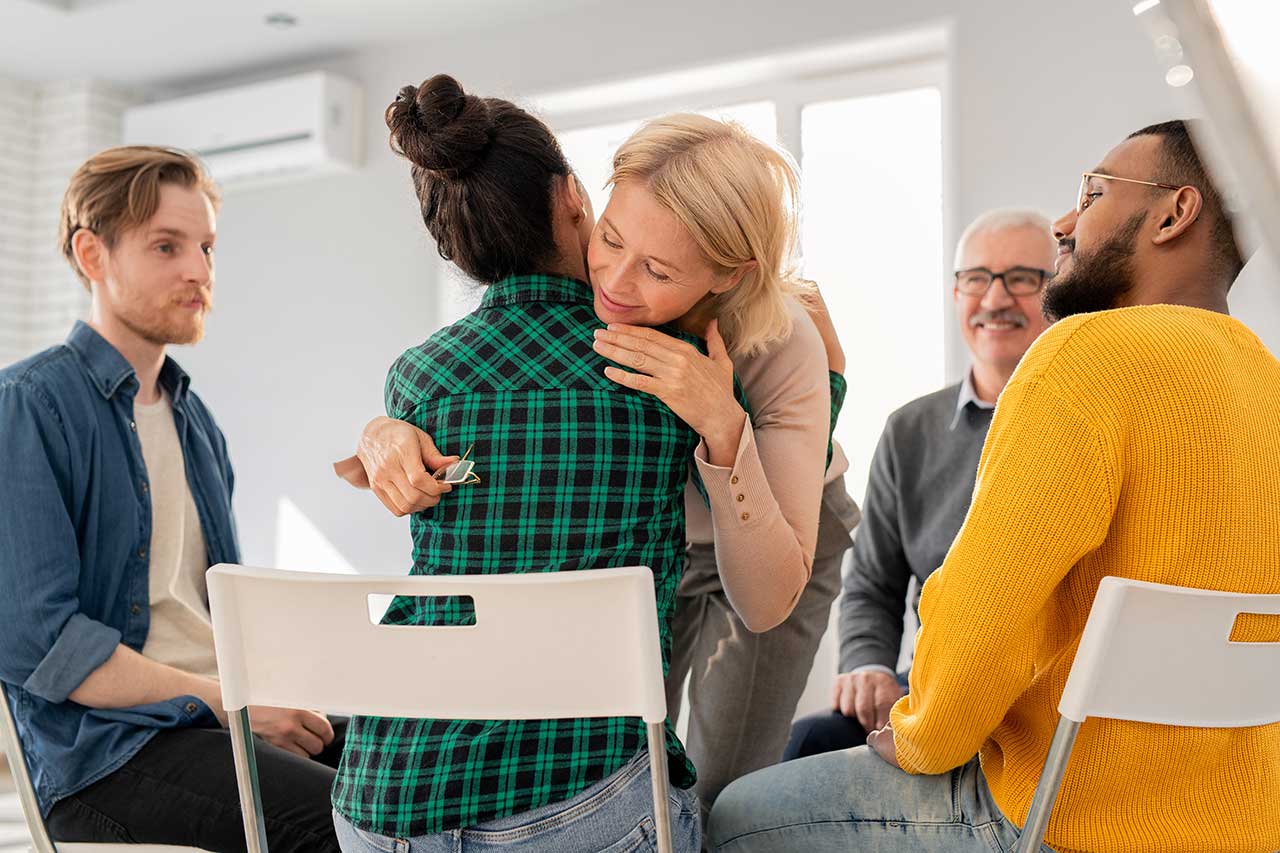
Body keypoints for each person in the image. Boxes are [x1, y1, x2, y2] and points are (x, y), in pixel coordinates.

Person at [708, 120, 1280, 853]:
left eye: (1092, 192)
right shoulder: (1265, 381)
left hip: (1064, 811)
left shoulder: (1080, 354)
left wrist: (919, 734)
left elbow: (983, 618)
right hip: (1243, 821)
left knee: (734, 815)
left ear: (1175, 213)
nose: (1067, 223)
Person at [340, 113, 860, 822]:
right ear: (591, 203)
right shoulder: (586, 281)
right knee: (634, 737)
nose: (613, 281)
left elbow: (767, 599)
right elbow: (492, 400)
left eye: (658, 271)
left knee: (720, 792)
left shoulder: (781, 342)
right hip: (656, 533)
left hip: (776, 528)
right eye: (611, 238)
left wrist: (723, 421)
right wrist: (382, 431)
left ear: (726, 274)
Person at [329, 76, 726, 853]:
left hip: (383, 800)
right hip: (576, 796)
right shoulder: (668, 367)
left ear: (460, 251)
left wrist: (382, 426)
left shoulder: (417, 377)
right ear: (573, 196)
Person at [0, 146, 344, 852]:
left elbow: (224, 609)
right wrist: (228, 702)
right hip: (105, 760)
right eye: (167, 246)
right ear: (93, 255)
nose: (198, 270)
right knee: (346, 820)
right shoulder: (28, 407)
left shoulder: (196, 422)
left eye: (207, 247)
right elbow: (45, 644)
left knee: (429, 772)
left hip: (212, 721)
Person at [784, 208, 1055, 760]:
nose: (995, 299)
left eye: (1023, 278)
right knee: (809, 742)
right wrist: (870, 665)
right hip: (933, 696)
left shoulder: (1083, 419)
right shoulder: (909, 430)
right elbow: (871, 585)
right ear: (957, 295)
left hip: (1045, 701)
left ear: (1058, 293)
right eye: (976, 278)